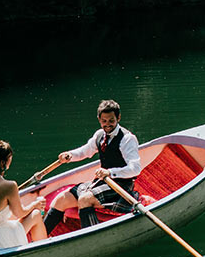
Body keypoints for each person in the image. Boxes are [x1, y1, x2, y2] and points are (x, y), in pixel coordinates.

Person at [42, 99, 142, 234]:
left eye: (111, 120)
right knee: (61, 199)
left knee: (85, 199)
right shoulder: (99, 135)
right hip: (102, 182)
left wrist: (110, 172)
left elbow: (135, 168)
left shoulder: (127, 139)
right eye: (104, 121)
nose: (107, 125)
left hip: (121, 186)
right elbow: (85, 151)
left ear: (118, 118)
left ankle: (91, 238)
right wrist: (70, 155)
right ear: (99, 119)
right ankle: (40, 237)